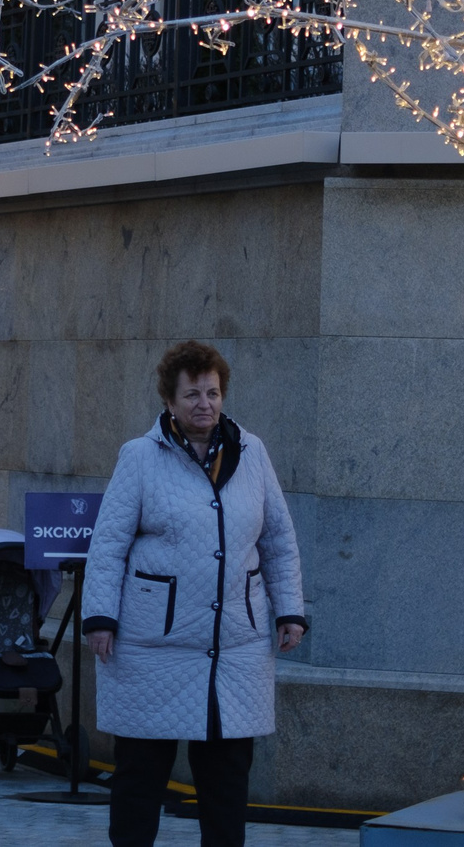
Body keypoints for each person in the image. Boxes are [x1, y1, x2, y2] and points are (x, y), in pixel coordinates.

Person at [81, 340, 306, 847]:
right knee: (140, 778)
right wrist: (99, 617)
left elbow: (278, 538)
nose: (204, 404)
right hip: (151, 647)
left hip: (235, 647)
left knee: (226, 782)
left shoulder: (252, 452)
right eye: (192, 395)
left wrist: (289, 609)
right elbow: (109, 543)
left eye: (213, 393)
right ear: (169, 400)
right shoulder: (140, 457)